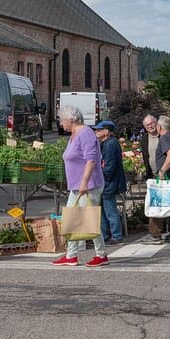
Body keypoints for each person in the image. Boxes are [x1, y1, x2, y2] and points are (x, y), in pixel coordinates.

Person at [52, 106, 108, 267]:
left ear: (71, 120)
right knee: (72, 219)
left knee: (88, 219)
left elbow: (91, 160)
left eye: (62, 120)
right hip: (77, 186)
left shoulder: (85, 133)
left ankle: (101, 254)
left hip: (88, 186)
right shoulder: (74, 135)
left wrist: (84, 182)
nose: (61, 124)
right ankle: (71, 256)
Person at [142, 116, 170, 244]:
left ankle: (155, 235)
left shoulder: (164, 137)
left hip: (165, 178)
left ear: (159, 126)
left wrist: (162, 171)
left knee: (156, 205)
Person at [94, 120, 126, 245]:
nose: (96, 132)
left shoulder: (110, 144)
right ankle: (105, 235)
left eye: (99, 130)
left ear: (106, 131)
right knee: (102, 210)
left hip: (108, 183)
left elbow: (109, 167)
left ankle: (116, 236)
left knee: (109, 210)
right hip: (106, 182)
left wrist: (99, 176)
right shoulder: (106, 143)